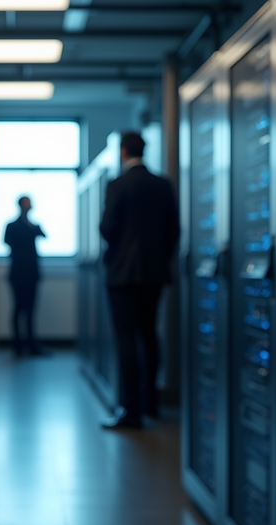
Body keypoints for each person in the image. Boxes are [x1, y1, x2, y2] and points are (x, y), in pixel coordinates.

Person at [99, 132, 180, 429]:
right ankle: (151, 404)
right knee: (149, 335)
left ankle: (130, 410)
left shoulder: (117, 184)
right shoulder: (163, 185)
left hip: (121, 274)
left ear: (122, 152)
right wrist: (159, 259)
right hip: (154, 273)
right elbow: (174, 230)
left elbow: (107, 228)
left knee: (126, 340)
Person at [4, 196, 47, 357]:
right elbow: (8, 241)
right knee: (18, 309)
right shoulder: (12, 226)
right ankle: (18, 346)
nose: (29, 206)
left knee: (31, 311)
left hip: (32, 273)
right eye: (26, 203)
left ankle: (32, 345)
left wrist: (32, 228)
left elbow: (44, 235)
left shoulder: (34, 225)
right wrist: (30, 231)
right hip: (17, 274)